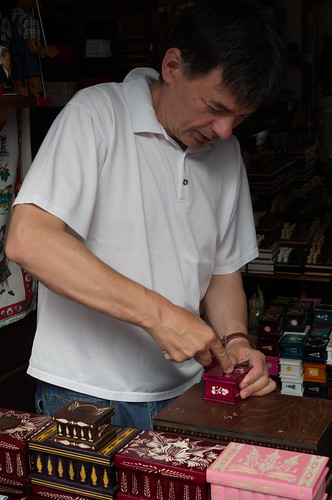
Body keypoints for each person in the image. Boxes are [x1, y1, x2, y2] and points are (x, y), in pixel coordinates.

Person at [6, 0, 287, 430]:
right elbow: (30, 240)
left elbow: (222, 269)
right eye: (215, 107)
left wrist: (236, 341)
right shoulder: (96, 114)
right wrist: (159, 315)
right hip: (84, 392)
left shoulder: (225, 151)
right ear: (172, 66)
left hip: (189, 393)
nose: (225, 130)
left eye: (239, 117)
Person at [0, 0, 59, 95]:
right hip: (28, 59)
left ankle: (19, 106)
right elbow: (32, 45)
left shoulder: (6, 21)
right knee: (34, 81)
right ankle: (36, 99)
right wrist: (42, 49)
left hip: (14, 61)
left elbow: (4, 47)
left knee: (17, 84)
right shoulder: (28, 19)